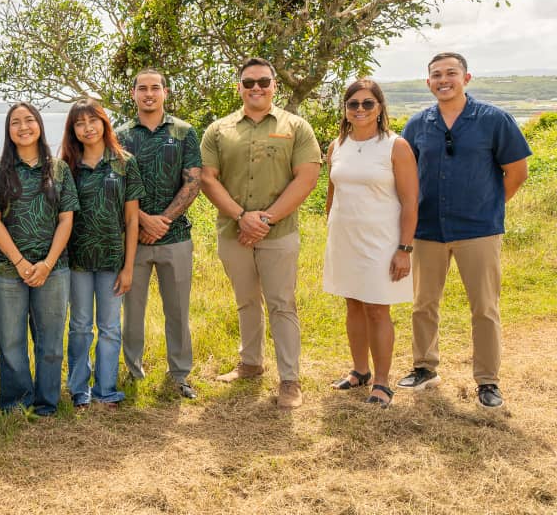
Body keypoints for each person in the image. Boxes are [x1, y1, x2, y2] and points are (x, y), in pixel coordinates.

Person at [397, 52, 530, 408]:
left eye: (451, 73)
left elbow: (517, 172)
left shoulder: (495, 119)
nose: (444, 80)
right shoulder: (417, 124)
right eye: (436, 75)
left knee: (485, 307)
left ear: (466, 78)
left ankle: (487, 381)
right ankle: (425, 368)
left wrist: (487, 206)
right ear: (428, 82)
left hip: (479, 231)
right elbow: (406, 177)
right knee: (423, 304)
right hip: (427, 230)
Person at [200, 58, 322, 409]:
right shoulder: (218, 130)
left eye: (263, 82)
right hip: (233, 232)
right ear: (239, 87)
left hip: (279, 233)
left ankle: (290, 380)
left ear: (274, 86)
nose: (256, 88)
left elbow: (307, 178)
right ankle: (250, 364)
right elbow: (208, 178)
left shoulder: (296, 127)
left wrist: (263, 221)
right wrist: (241, 217)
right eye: (249, 82)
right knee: (246, 301)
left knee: (282, 304)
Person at [0, 102, 80, 416]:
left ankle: (47, 402)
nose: (23, 127)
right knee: (10, 341)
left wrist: (47, 264)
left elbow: (66, 219)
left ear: (39, 124)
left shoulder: (59, 169)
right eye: (15, 122)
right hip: (6, 270)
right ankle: (16, 403)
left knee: (50, 342)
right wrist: (21, 263)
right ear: (8, 130)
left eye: (29, 120)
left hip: (53, 269)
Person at [323, 79, 418, 407]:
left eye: (367, 103)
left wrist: (404, 249)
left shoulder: (396, 146)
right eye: (353, 104)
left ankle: (382, 383)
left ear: (380, 108)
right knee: (352, 303)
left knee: (377, 309)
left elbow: (410, 202)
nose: (360, 109)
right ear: (345, 109)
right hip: (345, 239)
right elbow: (332, 193)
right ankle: (360, 371)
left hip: (382, 241)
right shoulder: (337, 145)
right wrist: (331, 229)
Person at [117, 69, 203, 399]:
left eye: (155, 88)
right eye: (142, 88)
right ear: (133, 94)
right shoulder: (120, 135)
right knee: (132, 311)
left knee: (178, 310)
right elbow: (116, 186)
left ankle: (179, 375)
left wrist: (162, 221)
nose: (149, 93)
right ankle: (133, 371)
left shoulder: (184, 132)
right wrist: (142, 221)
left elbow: (193, 181)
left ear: (165, 92)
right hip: (133, 240)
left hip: (175, 236)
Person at [60, 99, 143, 409]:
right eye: (79, 123)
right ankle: (79, 389)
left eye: (92, 120)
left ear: (104, 123)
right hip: (77, 261)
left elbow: (132, 220)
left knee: (109, 327)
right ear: (73, 130)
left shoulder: (124, 163)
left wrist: (129, 267)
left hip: (112, 260)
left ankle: (106, 389)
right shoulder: (67, 166)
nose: (87, 128)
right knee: (80, 326)